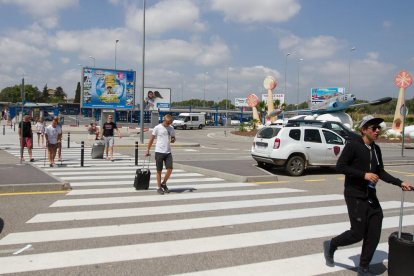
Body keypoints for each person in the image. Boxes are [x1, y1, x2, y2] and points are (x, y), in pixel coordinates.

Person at [323, 115, 413, 275]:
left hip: (370, 195)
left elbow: (381, 172)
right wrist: (363, 175)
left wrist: (400, 183)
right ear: (364, 130)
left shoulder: (376, 149)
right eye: (373, 127)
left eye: (379, 127)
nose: (377, 130)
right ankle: (331, 244)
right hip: (354, 195)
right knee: (357, 233)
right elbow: (341, 166)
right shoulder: (353, 146)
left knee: (374, 231)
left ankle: (363, 267)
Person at [146, 114, 176, 195]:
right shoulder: (157, 127)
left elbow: (173, 137)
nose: (169, 124)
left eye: (170, 123)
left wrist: (173, 140)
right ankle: (159, 187)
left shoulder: (171, 128)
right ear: (164, 120)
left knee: (169, 169)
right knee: (159, 170)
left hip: (168, 152)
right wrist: (148, 149)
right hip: (159, 151)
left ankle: (164, 183)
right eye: (168, 123)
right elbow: (151, 139)